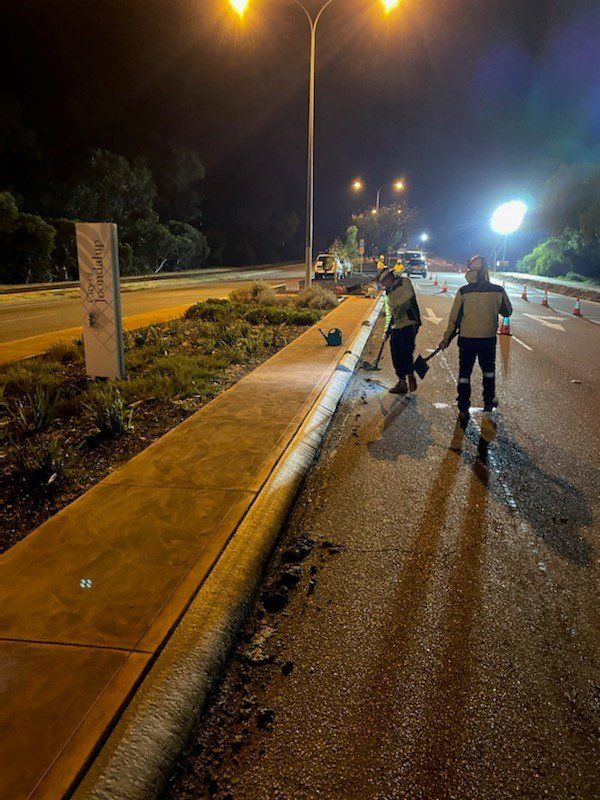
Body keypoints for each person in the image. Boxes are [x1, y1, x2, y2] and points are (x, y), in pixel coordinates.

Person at [438, 255, 512, 423]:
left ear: (470, 271)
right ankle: (488, 401)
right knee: (489, 372)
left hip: (467, 340)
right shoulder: (498, 290)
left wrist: (446, 339)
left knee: (464, 374)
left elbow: (454, 320)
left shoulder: (464, 291)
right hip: (487, 340)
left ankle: (463, 407)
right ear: (486, 271)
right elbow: (507, 312)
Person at [379, 266, 422, 394]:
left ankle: (410, 375)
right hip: (397, 325)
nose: (382, 285)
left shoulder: (405, 282)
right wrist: (386, 331)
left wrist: (396, 305)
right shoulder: (387, 293)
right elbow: (389, 313)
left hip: (411, 321)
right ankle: (402, 381)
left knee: (405, 351)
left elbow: (409, 295)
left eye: (383, 282)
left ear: (389, 278)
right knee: (395, 352)